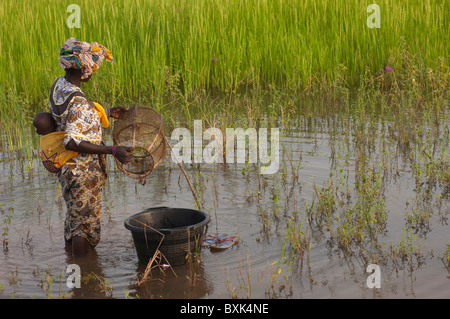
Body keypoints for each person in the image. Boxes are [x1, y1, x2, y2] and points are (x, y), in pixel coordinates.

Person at [50, 38, 133, 256]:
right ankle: (84, 276)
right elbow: (72, 140)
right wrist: (112, 150)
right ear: (84, 68)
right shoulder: (77, 100)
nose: (93, 71)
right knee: (83, 227)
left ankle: (73, 265)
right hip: (82, 173)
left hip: (67, 169)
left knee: (74, 220)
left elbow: (71, 119)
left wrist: (105, 112)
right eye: (92, 66)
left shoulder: (60, 85)